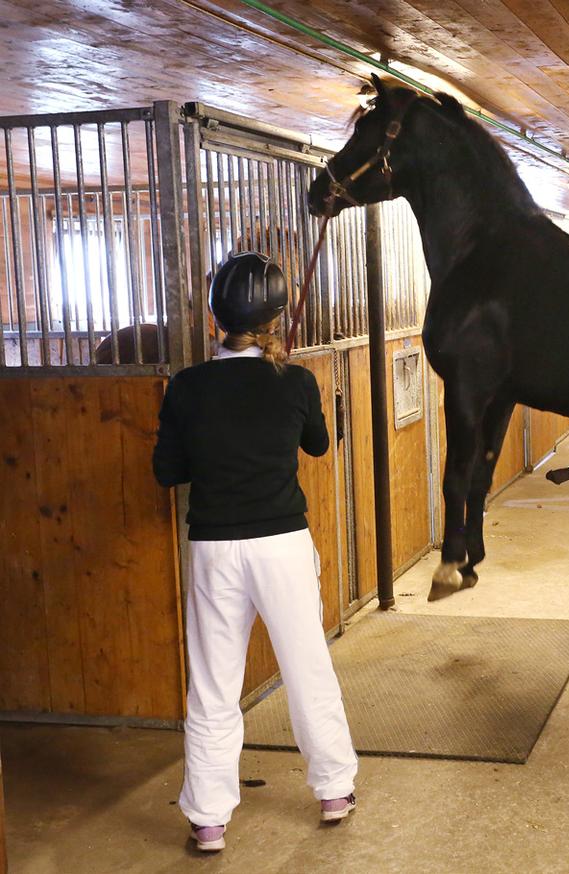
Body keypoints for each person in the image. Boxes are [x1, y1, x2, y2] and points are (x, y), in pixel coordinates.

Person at [153, 251, 358, 853]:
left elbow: (168, 472)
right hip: (282, 547)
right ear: (274, 317)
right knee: (306, 667)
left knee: (214, 685)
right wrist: (307, 394)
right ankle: (333, 790)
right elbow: (319, 446)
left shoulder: (186, 385)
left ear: (216, 312)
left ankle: (210, 819)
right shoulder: (293, 380)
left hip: (215, 547)